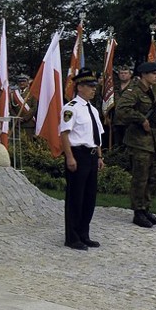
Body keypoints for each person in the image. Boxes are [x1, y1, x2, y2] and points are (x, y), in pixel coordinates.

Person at [115, 61, 156, 228]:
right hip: (139, 142)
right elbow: (121, 111)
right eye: (153, 73)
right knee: (140, 178)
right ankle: (138, 212)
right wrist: (141, 119)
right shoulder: (133, 91)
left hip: (153, 142)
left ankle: (146, 209)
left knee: (153, 178)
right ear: (144, 74)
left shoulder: (150, 92)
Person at [59, 67, 105, 250]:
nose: (94, 89)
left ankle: (84, 233)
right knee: (75, 198)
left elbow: (97, 135)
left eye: (94, 86)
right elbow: (64, 134)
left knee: (89, 198)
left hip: (92, 156)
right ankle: (72, 237)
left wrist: (100, 156)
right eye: (90, 86)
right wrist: (69, 157)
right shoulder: (71, 108)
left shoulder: (92, 110)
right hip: (78, 155)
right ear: (79, 87)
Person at [110, 64, 135, 147]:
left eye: (125, 73)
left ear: (130, 75)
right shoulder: (114, 86)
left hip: (130, 120)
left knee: (128, 144)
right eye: (121, 73)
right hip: (116, 119)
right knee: (117, 144)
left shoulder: (135, 87)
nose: (123, 75)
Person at [10, 73, 37, 139]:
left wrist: (24, 118)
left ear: (27, 82)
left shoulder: (32, 93)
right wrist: (16, 117)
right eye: (20, 81)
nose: (22, 83)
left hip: (29, 124)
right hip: (17, 124)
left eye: (24, 81)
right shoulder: (13, 94)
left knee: (28, 144)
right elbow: (10, 107)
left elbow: (34, 108)